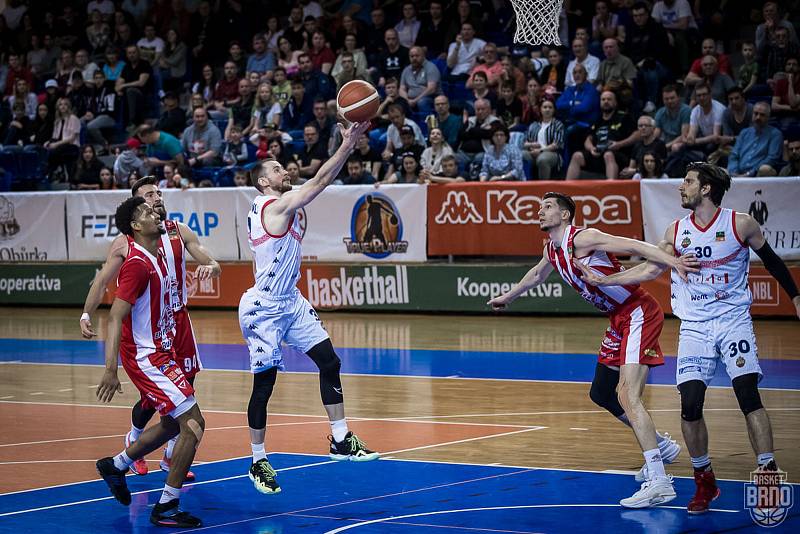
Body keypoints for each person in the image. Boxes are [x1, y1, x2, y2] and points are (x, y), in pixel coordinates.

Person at [576, 162, 800, 514]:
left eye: (688, 181)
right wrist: (607, 281)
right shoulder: (675, 230)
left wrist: (796, 296)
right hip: (694, 325)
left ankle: (768, 473)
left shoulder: (740, 223)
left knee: (747, 394)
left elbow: (772, 260)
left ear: (706, 188)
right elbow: (651, 268)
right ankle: (704, 480)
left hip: (732, 322)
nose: (682, 187)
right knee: (690, 404)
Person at [489, 192, 696, 507]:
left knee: (627, 394)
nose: (540, 212)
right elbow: (537, 274)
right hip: (618, 318)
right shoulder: (552, 249)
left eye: (547, 207)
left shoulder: (585, 238)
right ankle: (661, 448)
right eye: (539, 207)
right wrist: (510, 295)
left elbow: (636, 247)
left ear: (565, 215)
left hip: (637, 310)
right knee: (602, 393)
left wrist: (673, 261)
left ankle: (659, 481)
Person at [241, 120, 378, 494]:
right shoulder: (274, 207)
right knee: (264, 385)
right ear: (264, 182)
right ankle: (257, 461)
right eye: (275, 168)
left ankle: (339, 437)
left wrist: (344, 150)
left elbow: (317, 182)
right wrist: (348, 144)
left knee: (329, 361)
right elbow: (318, 183)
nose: (283, 169)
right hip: (264, 308)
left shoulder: (281, 202)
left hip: (291, 301)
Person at [82, 176, 221, 481]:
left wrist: (211, 265)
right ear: (137, 213)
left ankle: (157, 458)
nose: (156, 199)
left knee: (181, 401)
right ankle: (137, 444)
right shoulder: (132, 252)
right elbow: (105, 285)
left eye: (158, 193)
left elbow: (207, 257)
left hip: (174, 324)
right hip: (147, 336)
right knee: (171, 409)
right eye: (148, 197)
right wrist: (86, 315)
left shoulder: (173, 233)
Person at [94, 196, 205, 528]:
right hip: (147, 356)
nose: (154, 212)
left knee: (173, 424)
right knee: (194, 425)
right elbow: (115, 316)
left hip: (161, 350)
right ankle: (167, 506)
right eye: (145, 212)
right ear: (135, 226)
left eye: (153, 208)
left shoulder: (158, 255)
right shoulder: (138, 264)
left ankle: (117, 464)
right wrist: (111, 368)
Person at [565, 90, 637, 180]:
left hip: (617, 154)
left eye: (609, 99)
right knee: (577, 156)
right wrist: (591, 148)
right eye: (603, 99)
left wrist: (619, 144)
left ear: (615, 103)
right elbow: (588, 139)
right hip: (597, 153)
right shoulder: (597, 119)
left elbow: (637, 135)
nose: (606, 101)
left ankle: (612, 190)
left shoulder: (624, 117)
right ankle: (567, 190)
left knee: (608, 155)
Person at [727, 102, 783, 177]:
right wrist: (734, 172)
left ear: (768, 117)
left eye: (762, 115)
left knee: (765, 169)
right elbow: (734, 155)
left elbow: (771, 158)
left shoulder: (775, 134)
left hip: (758, 173)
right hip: (738, 172)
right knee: (718, 172)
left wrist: (750, 173)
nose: (758, 117)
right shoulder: (744, 132)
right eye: (755, 114)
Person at [523, 100, 565, 180]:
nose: (547, 109)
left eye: (550, 107)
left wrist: (541, 150)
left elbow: (556, 145)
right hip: (533, 152)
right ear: (540, 110)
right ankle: (523, 184)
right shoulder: (534, 125)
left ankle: (543, 187)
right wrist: (532, 145)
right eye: (545, 107)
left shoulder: (558, 125)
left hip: (551, 153)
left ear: (554, 110)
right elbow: (524, 143)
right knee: (520, 155)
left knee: (542, 159)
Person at [399, 46, 441, 114]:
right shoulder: (406, 70)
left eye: (417, 56)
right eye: (412, 56)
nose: (414, 58)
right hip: (410, 99)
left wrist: (415, 100)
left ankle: (427, 123)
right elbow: (401, 89)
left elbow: (431, 89)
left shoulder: (431, 67)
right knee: (398, 103)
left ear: (423, 56)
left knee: (422, 102)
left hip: (431, 98)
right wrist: (407, 100)